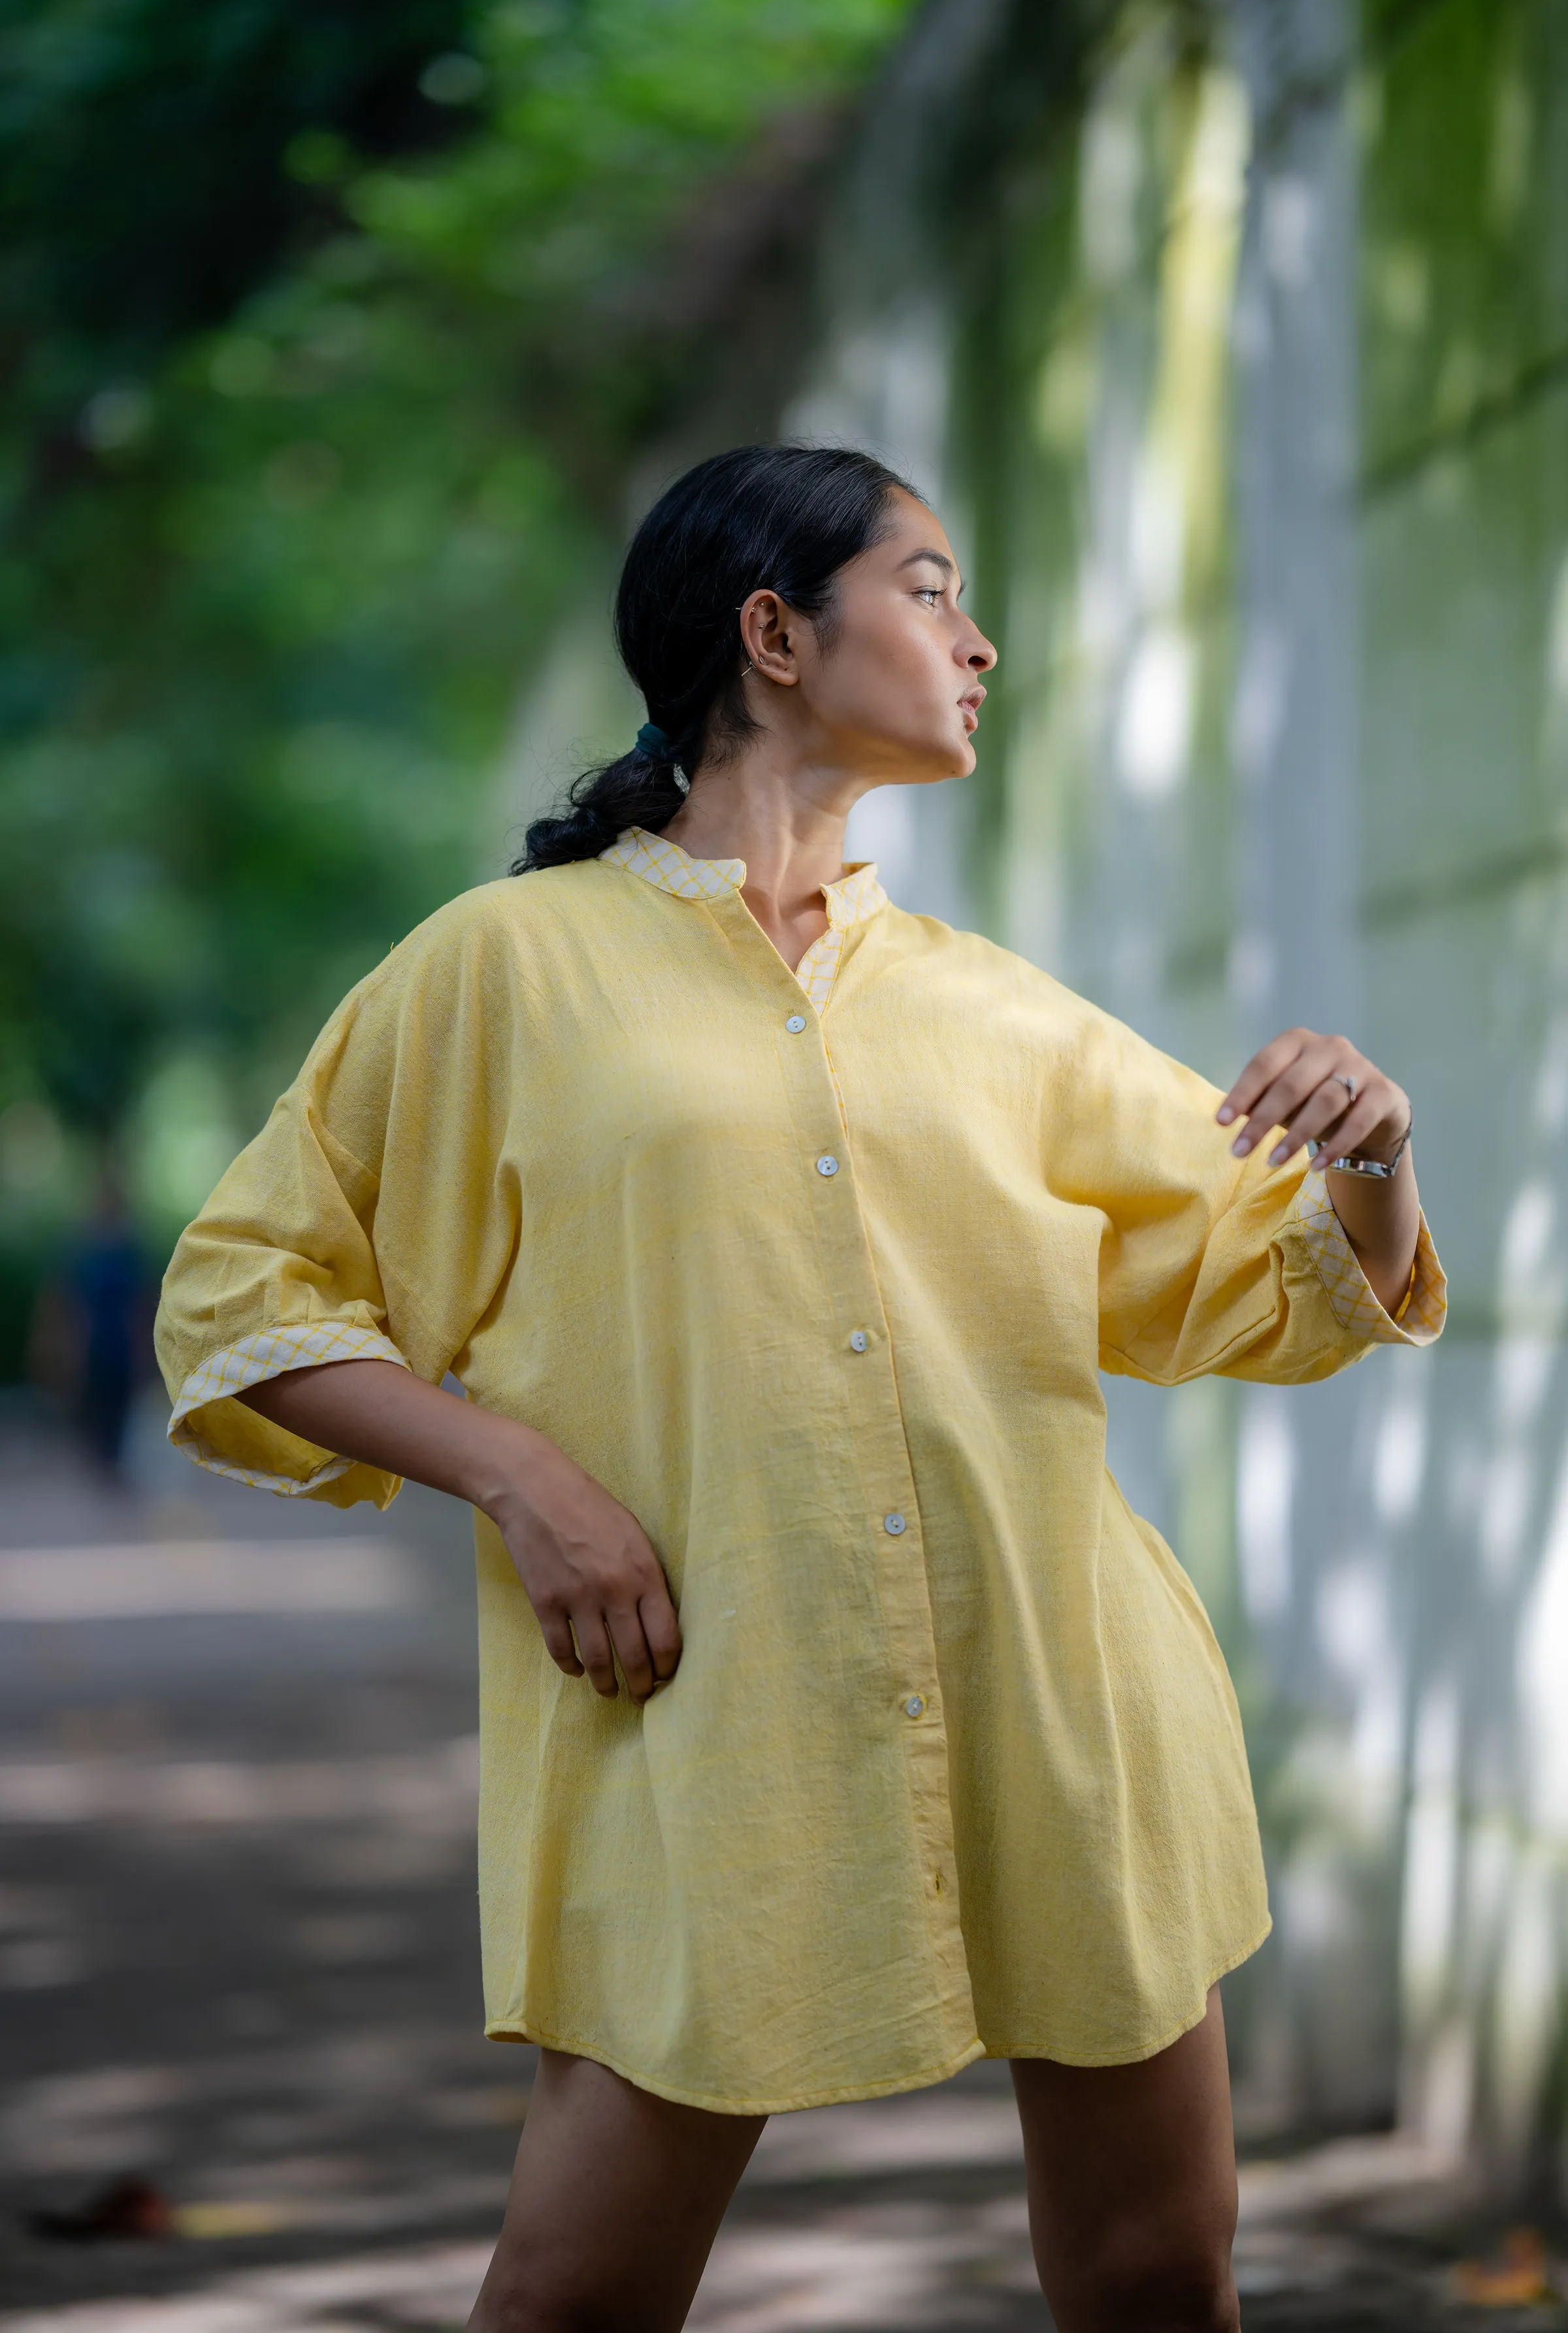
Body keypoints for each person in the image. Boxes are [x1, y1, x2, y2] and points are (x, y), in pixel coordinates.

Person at [155, 444, 1445, 2332]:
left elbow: (1276, 1285)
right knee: (574, 2299)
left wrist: (1371, 1152)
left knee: (1163, 2276)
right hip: (703, 1720)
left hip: (1064, 1704)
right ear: (773, 633)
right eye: (930, 589)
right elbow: (241, 1295)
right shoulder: (500, 975)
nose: (980, 641)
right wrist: (518, 1476)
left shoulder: (993, 1008)